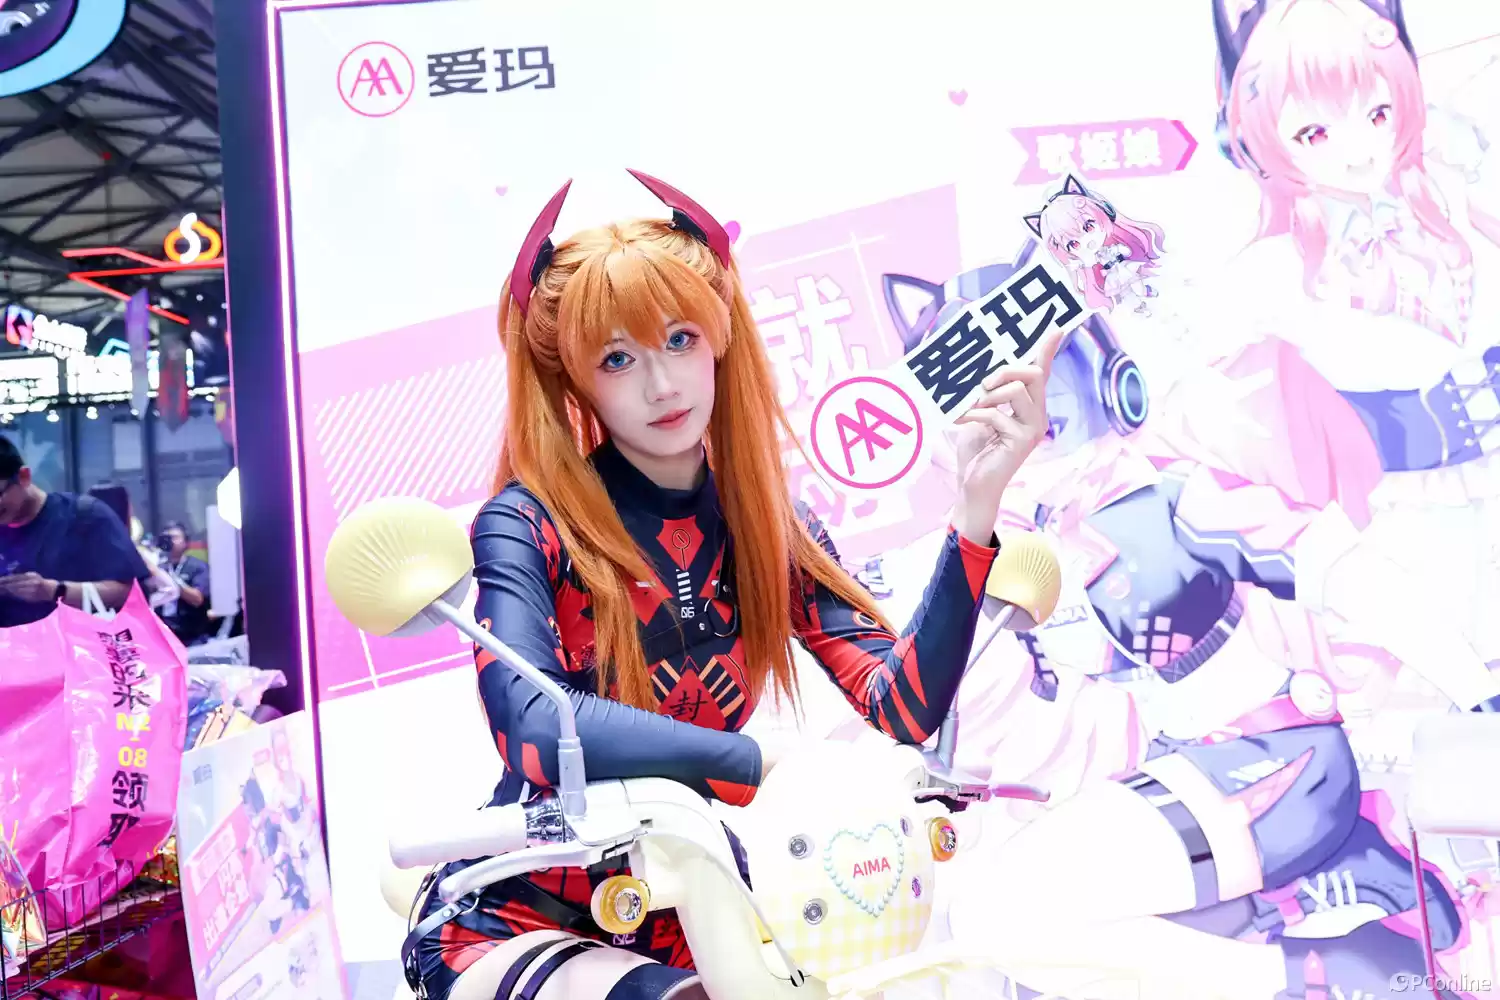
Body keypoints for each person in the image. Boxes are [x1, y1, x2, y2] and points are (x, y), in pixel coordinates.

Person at [404, 170, 1060, 1000]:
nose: (662, 384)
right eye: (618, 358)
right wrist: (759, 761)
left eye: (680, 339)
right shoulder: (526, 524)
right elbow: (534, 727)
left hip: (702, 905)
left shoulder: (770, 526)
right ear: (575, 380)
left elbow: (901, 707)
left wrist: (974, 510)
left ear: (720, 339)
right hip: (521, 913)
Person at [0, 435, 151, 627]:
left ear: (24, 477)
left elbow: (129, 592)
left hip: (80, 642)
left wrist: (54, 591)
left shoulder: (84, 516)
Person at [157, 520, 212, 644]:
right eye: (167, 538)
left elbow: (197, 599)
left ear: (185, 542)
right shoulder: (158, 566)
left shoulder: (197, 566)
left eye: (175, 537)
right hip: (163, 633)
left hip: (191, 634)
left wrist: (170, 579)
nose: (170, 541)